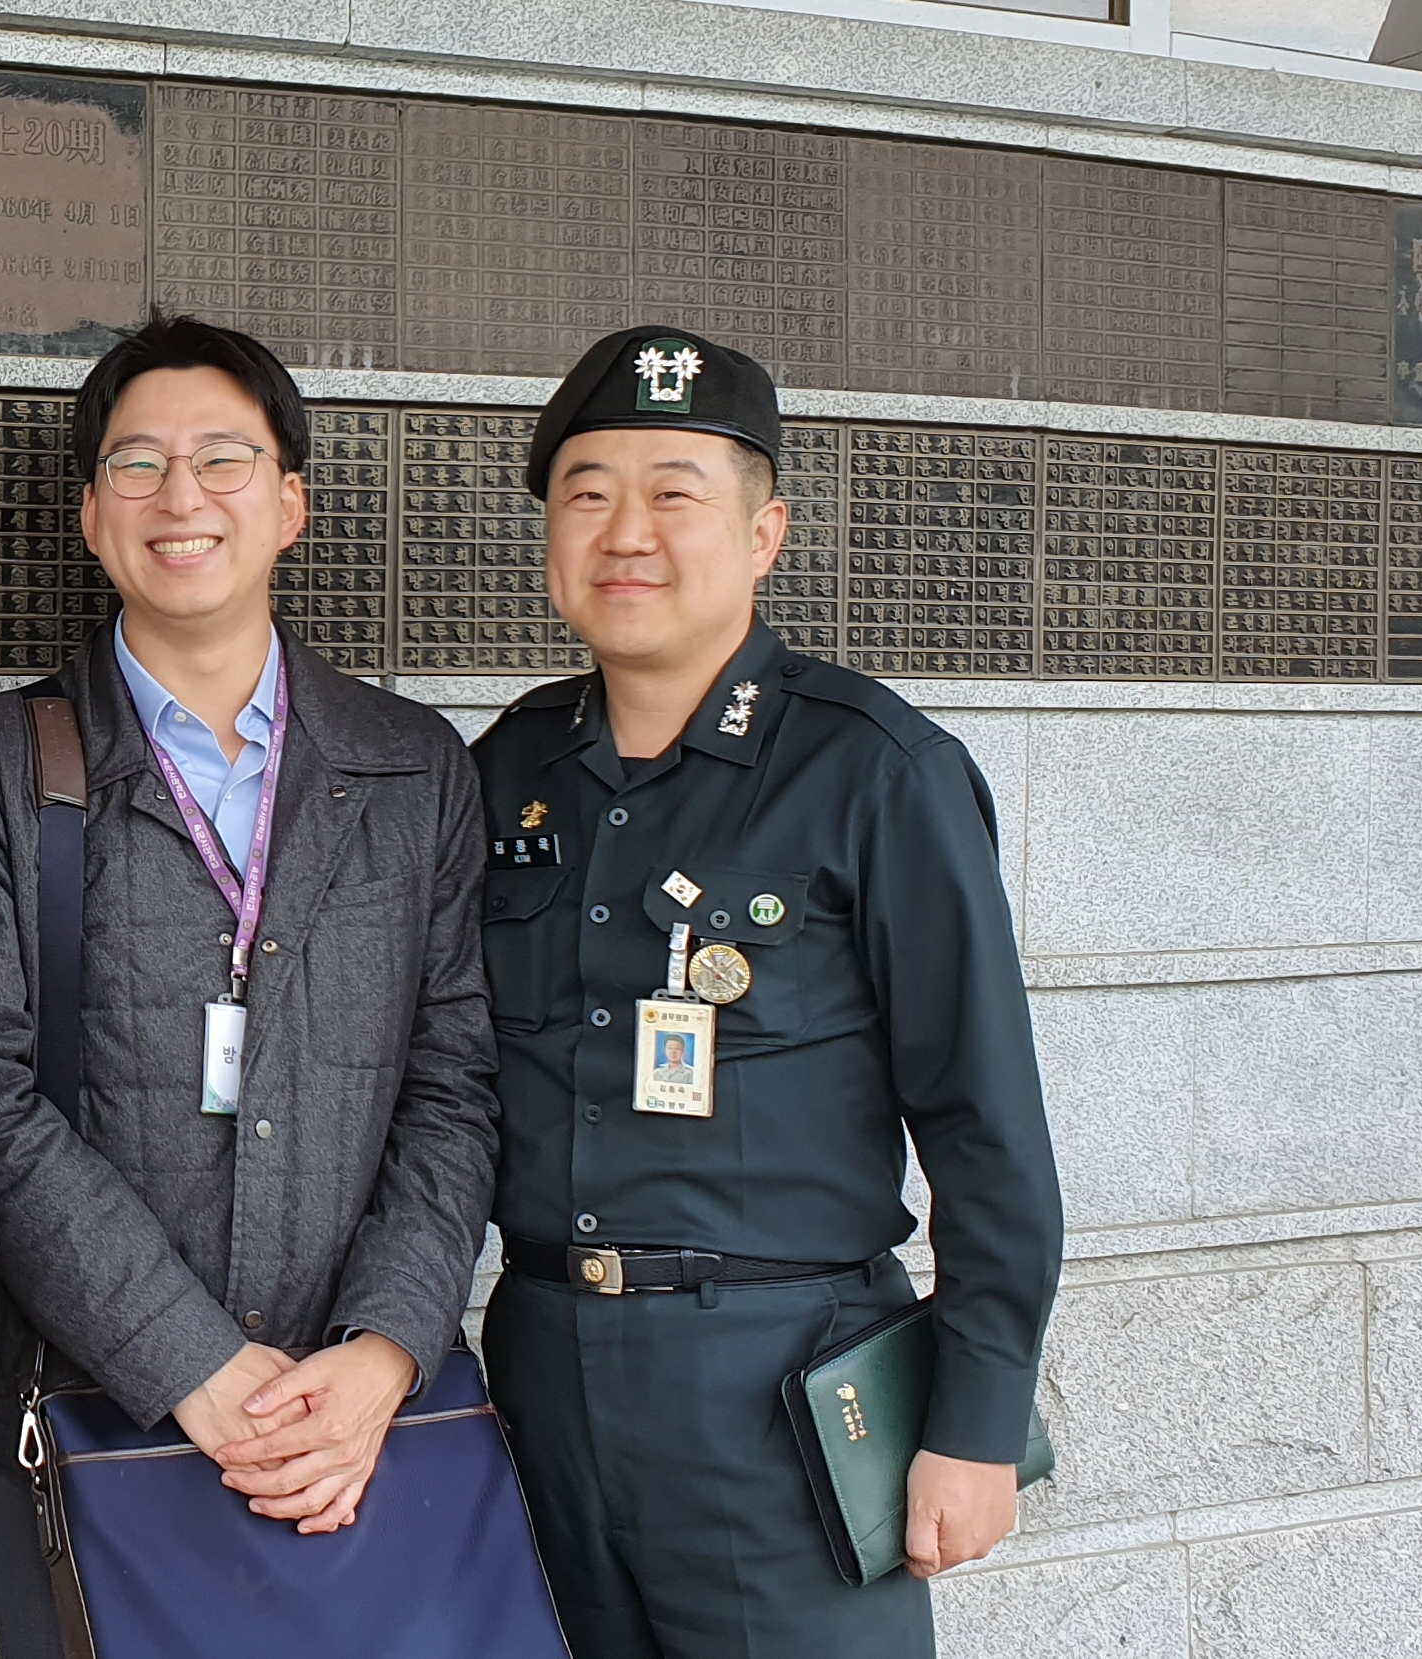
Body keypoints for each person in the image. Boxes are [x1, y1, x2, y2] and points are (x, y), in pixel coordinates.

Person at [472, 325, 1065, 1659]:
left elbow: (983, 1121)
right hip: (544, 1378)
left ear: (763, 534)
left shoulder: (876, 772)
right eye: (587, 494)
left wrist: (975, 1421)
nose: (627, 532)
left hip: (779, 1394)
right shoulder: (510, 769)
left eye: (673, 494)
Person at [0, 311, 501, 1659]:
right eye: (137, 464)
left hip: (354, 1422)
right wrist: (186, 1358)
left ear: (290, 502)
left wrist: (384, 1352)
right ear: (91, 516)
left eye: (223, 459)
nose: (180, 497)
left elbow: (455, 1084)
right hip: (80, 1408)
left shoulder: (413, 768)